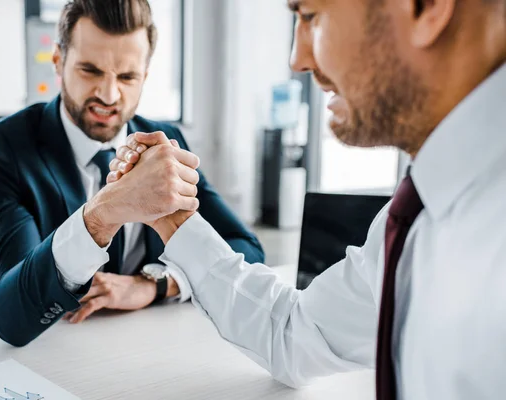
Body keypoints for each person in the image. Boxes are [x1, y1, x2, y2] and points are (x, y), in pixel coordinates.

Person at [108, 0, 506, 398]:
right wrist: (170, 218)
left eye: (312, 16)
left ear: (426, 7)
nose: (298, 59)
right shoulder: (415, 217)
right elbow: (294, 335)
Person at [0, 0, 264, 347]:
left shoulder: (166, 143)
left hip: (133, 347)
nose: (109, 95)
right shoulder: (2, 148)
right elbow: (10, 314)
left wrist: (154, 283)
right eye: (90, 71)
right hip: (19, 356)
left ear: (145, 76)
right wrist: (101, 217)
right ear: (59, 62)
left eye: (126, 76)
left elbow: (245, 250)